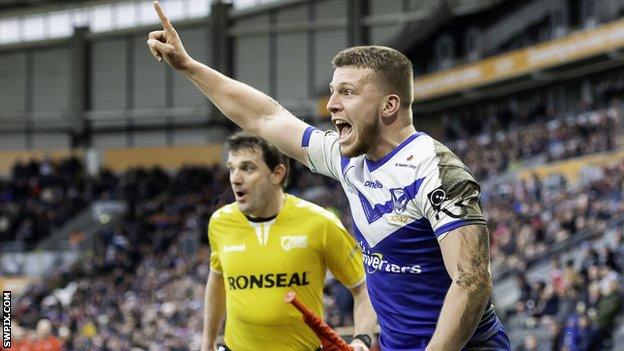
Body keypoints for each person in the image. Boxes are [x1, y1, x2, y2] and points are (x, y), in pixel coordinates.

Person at [148, 2, 510, 349]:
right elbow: (266, 118)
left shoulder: (438, 171)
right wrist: (189, 66)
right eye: (333, 91)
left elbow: (472, 280)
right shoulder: (347, 159)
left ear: (389, 105)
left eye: (347, 92)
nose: (331, 104)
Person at [201, 132, 377, 351]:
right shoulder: (220, 223)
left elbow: (365, 286)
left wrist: (362, 339)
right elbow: (217, 283)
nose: (235, 178)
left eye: (247, 168)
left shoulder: (320, 223)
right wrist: (207, 343)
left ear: (277, 174)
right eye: (232, 168)